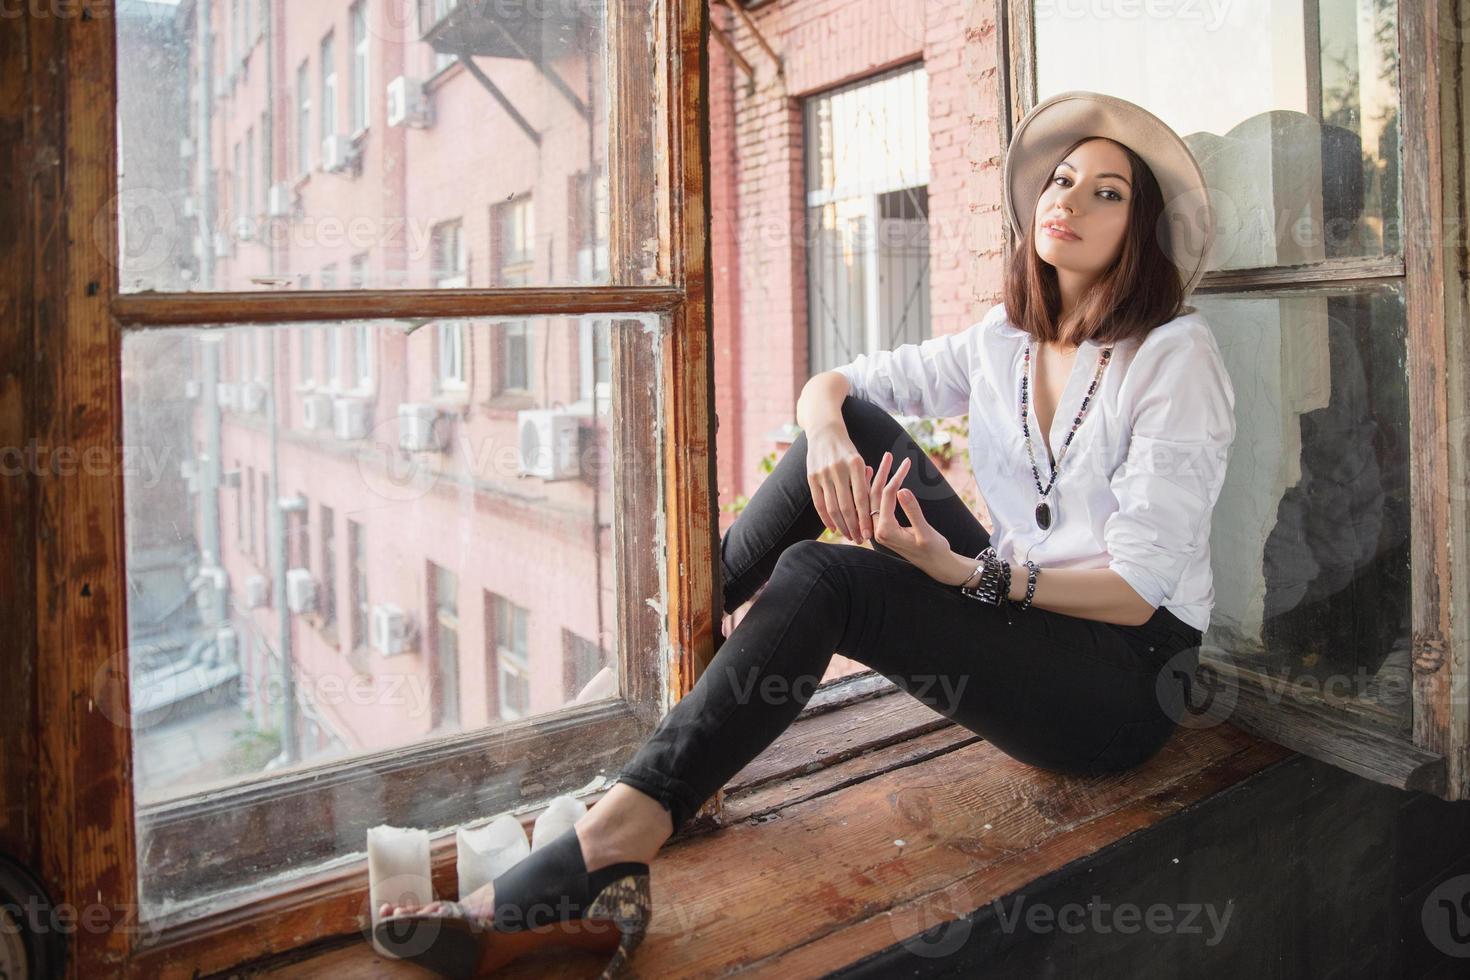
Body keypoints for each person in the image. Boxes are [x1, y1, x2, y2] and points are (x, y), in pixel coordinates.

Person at [372, 89, 1238, 979]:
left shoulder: (1175, 356)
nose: (1068, 199)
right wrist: (826, 432)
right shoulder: (1004, 340)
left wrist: (962, 575)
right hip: (1018, 603)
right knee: (851, 428)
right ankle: (674, 643)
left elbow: (1138, 591)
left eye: (1108, 193)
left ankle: (608, 844)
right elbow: (839, 385)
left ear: (1143, 232)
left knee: (827, 579)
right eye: (1062, 179)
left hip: (1123, 681)